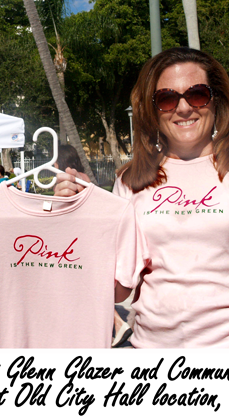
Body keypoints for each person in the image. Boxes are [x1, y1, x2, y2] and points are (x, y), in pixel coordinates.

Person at [56, 47, 229, 348]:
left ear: (215, 99)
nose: (183, 108)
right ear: (152, 109)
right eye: (167, 98)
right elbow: (116, 291)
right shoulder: (130, 180)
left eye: (197, 94)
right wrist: (85, 213)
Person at [54, 144, 133, 348]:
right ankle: (116, 325)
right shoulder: (83, 176)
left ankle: (113, 326)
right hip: (95, 242)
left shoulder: (68, 178)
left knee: (86, 290)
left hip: (78, 242)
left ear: (59, 160)